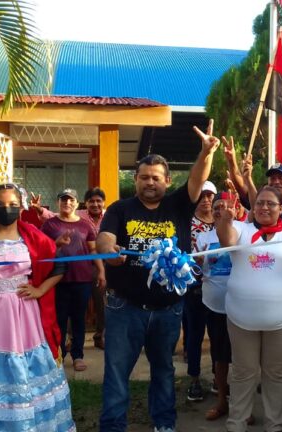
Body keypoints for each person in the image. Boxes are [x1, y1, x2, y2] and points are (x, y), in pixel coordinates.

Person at [96, 119, 218, 432]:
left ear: (166, 181)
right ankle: (113, 426)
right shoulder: (120, 209)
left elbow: (196, 179)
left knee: (163, 371)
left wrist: (205, 153)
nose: (150, 183)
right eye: (144, 177)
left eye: (156, 178)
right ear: (135, 180)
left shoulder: (178, 205)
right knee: (117, 371)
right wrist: (111, 252)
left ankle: (163, 424)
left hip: (167, 309)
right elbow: (104, 238)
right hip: (125, 308)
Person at [0, 183, 76, 431]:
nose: (6, 209)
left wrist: (40, 290)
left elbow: (59, 265)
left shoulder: (32, 236)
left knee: (28, 369)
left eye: (13, 205)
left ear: (21, 208)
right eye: (0, 205)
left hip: (26, 314)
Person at [215, 186, 282, 432]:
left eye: (270, 204)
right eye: (260, 203)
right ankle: (237, 424)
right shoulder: (241, 229)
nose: (264, 207)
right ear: (253, 208)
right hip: (241, 318)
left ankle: (274, 425)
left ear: (280, 209)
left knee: (276, 374)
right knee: (244, 373)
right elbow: (226, 240)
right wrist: (226, 220)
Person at [195, 192, 252, 423]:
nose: (220, 210)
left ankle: (243, 408)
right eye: (217, 206)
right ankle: (221, 403)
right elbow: (199, 270)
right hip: (214, 305)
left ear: (236, 209)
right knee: (219, 357)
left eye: (226, 206)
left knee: (243, 359)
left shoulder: (245, 230)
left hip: (242, 305)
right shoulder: (203, 237)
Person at [42, 188, 106, 372]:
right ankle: (59, 355)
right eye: (64, 200)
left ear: (77, 204)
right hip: (58, 280)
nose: (67, 203)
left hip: (82, 279)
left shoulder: (85, 225)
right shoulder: (49, 225)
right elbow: (41, 250)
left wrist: (101, 271)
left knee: (79, 319)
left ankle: (78, 355)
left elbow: (93, 250)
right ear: (58, 203)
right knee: (60, 320)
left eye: (71, 200)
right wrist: (57, 244)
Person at [184, 181, 217, 401]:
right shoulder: (186, 222)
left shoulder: (223, 222)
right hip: (193, 286)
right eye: (202, 195)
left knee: (217, 336)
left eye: (210, 196)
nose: (206, 200)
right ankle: (194, 380)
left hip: (218, 286)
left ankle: (218, 378)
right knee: (194, 336)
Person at [77, 187, 108, 349]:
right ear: (86, 203)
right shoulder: (78, 215)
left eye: (98, 201)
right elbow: (55, 216)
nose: (95, 204)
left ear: (104, 203)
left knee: (101, 301)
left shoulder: (110, 215)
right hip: (81, 264)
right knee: (77, 302)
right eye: (91, 201)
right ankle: (73, 339)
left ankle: (100, 335)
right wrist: (41, 211)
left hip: (103, 265)